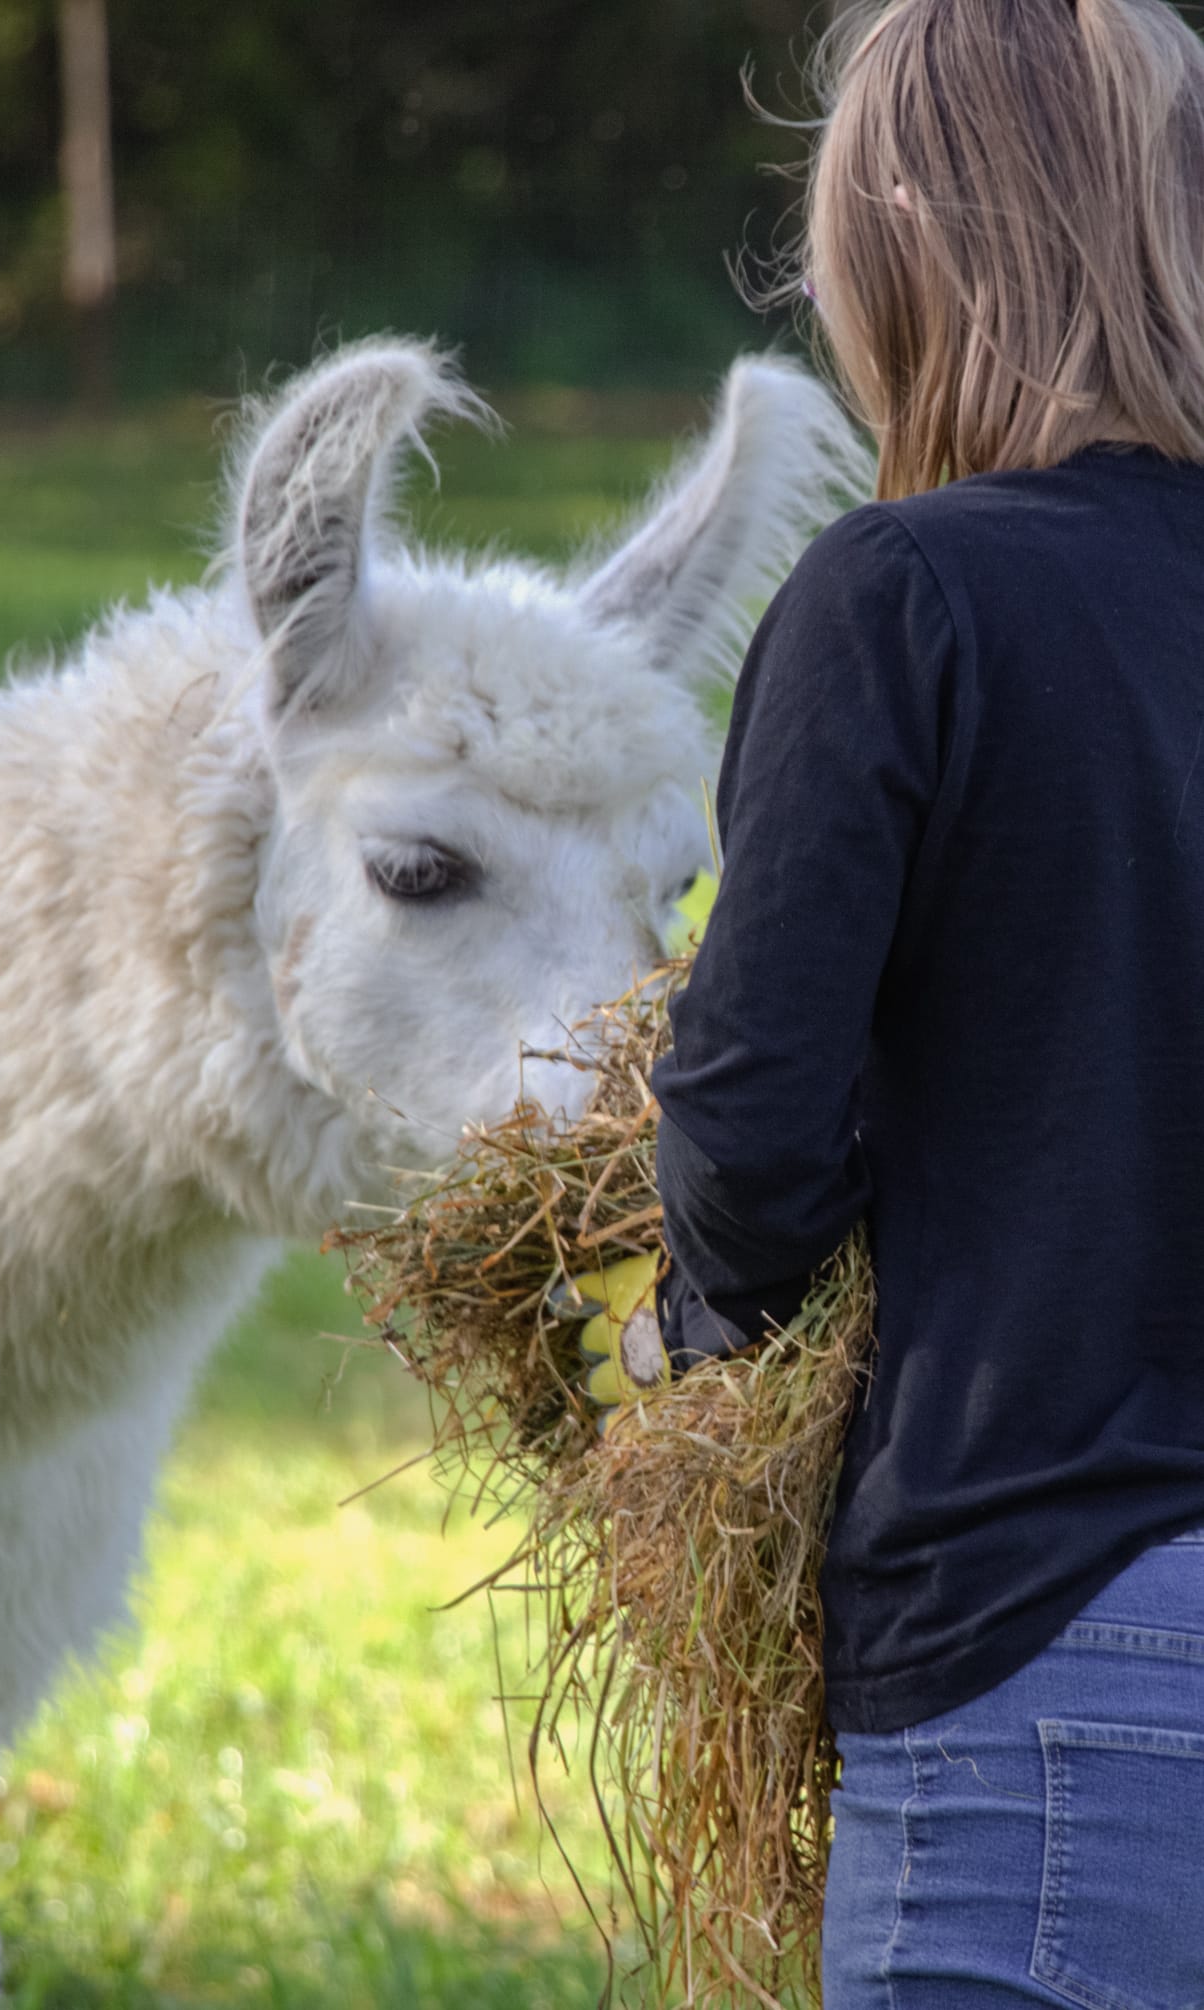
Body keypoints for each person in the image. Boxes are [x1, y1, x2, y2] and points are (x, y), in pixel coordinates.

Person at [645, 0, 1204, 2000]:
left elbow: (742, 1117)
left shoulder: (904, 599)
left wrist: (707, 1326)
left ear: (893, 223)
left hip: (1045, 1642)